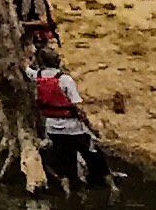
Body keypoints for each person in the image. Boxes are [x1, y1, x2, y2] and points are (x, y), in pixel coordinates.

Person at [31, 54, 107, 190]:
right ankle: (110, 185)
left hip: (53, 129)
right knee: (95, 156)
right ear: (58, 62)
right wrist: (91, 127)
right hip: (73, 128)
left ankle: (67, 191)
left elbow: (25, 69)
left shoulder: (37, 76)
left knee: (64, 162)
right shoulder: (65, 80)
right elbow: (77, 106)